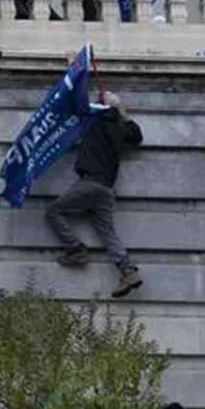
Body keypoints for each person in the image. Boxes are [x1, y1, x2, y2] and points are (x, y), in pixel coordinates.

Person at [45, 92, 145, 299]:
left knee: (54, 211)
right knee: (106, 231)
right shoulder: (120, 127)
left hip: (89, 183)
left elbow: (74, 103)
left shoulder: (94, 122)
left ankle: (75, 249)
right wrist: (122, 112)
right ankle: (128, 270)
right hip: (107, 189)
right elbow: (137, 136)